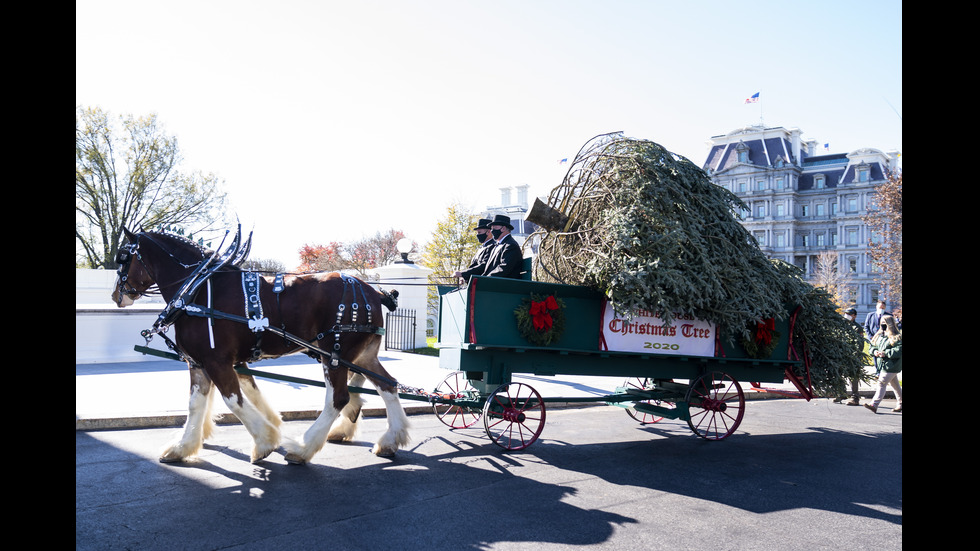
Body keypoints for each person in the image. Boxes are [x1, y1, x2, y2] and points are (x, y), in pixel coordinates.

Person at [864, 314, 902, 414]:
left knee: (882, 382)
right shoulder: (880, 336)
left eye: (884, 323)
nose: (882, 325)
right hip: (883, 365)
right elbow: (872, 347)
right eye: (881, 323)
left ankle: (874, 404)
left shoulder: (897, 337)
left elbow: (898, 351)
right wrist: (875, 352)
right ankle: (901, 403)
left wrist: (885, 353)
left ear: (890, 324)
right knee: (895, 385)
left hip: (892, 364)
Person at [834, 308, 865, 406]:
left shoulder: (858, 328)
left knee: (853, 377)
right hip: (842, 354)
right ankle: (841, 393)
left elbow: (860, 343)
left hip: (853, 356)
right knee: (839, 373)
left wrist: (855, 354)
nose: (847, 316)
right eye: (846, 313)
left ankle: (855, 398)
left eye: (850, 314)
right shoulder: (842, 326)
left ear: (854, 316)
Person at [481, 214, 524, 279]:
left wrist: (485, 279)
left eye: (494, 227)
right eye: (491, 228)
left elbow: (504, 268)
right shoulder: (497, 245)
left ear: (503, 228)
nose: (492, 231)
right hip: (495, 283)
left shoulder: (511, 245)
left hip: (504, 285)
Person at [454, 218, 494, 283]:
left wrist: (463, 273)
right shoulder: (482, 247)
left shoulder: (492, 246)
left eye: (479, 232)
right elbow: (474, 265)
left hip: (482, 283)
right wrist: (465, 277)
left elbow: (484, 266)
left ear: (488, 232)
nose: (477, 235)